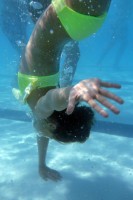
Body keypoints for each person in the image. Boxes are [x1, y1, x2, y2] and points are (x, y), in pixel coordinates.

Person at [14, 0, 124, 181]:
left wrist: (41, 164)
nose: (42, 134)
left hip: (83, 22)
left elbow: (43, 131)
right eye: (50, 134)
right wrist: (72, 90)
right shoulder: (42, 110)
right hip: (67, 16)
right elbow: (52, 99)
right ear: (51, 125)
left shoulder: (46, 116)